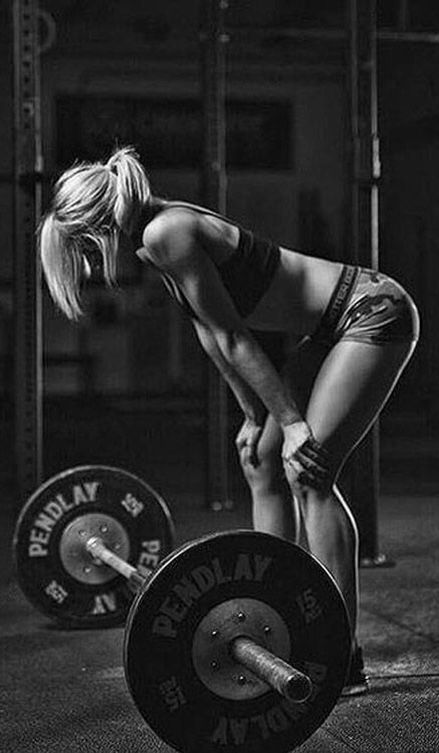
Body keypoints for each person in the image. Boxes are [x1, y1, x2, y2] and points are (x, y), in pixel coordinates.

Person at [39, 146, 420, 694]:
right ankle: (284, 612)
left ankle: (340, 656)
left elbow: (234, 336)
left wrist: (290, 423)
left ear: (102, 227)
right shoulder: (156, 241)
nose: (95, 266)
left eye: (87, 251)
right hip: (329, 330)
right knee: (261, 460)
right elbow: (210, 330)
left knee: (309, 471)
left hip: (369, 312)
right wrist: (253, 414)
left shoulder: (165, 232)